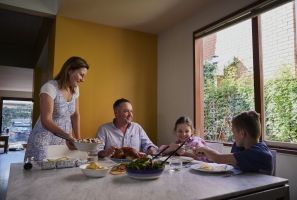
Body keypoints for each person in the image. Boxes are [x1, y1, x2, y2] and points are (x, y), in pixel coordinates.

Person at [24, 56, 89, 161]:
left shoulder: (75, 90)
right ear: (70, 70)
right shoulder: (50, 87)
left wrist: (77, 140)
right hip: (44, 141)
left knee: (60, 174)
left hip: (63, 141)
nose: (83, 79)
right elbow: (46, 120)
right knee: (41, 175)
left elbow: (75, 115)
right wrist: (67, 136)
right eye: (81, 75)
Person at [194, 111, 273, 174]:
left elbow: (219, 158)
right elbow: (226, 162)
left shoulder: (258, 153)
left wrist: (204, 149)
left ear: (242, 133)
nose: (233, 137)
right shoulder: (241, 147)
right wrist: (208, 155)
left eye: (234, 132)